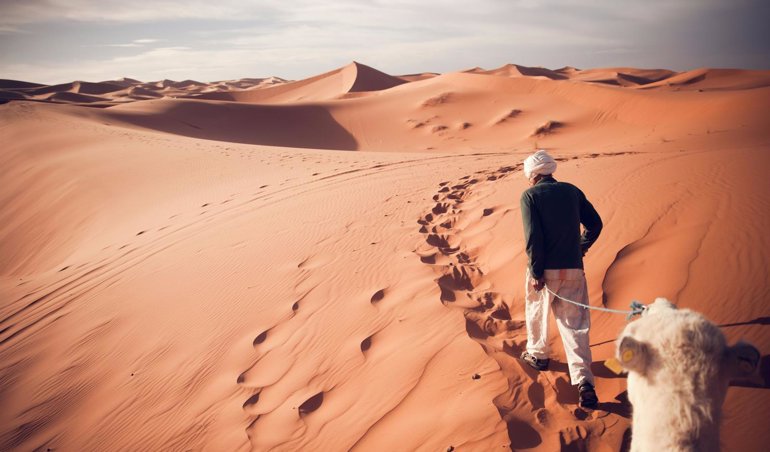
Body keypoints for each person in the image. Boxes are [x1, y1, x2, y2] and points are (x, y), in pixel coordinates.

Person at [519, 149, 602, 409]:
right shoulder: (572, 191)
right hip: (573, 269)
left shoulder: (530, 196)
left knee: (536, 311)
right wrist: (580, 247)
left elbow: (533, 238)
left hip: (545, 270)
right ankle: (585, 383)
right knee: (575, 325)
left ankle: (538, 355)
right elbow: (595, 224)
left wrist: (535, 272)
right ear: (550, 170)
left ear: (532, 174)